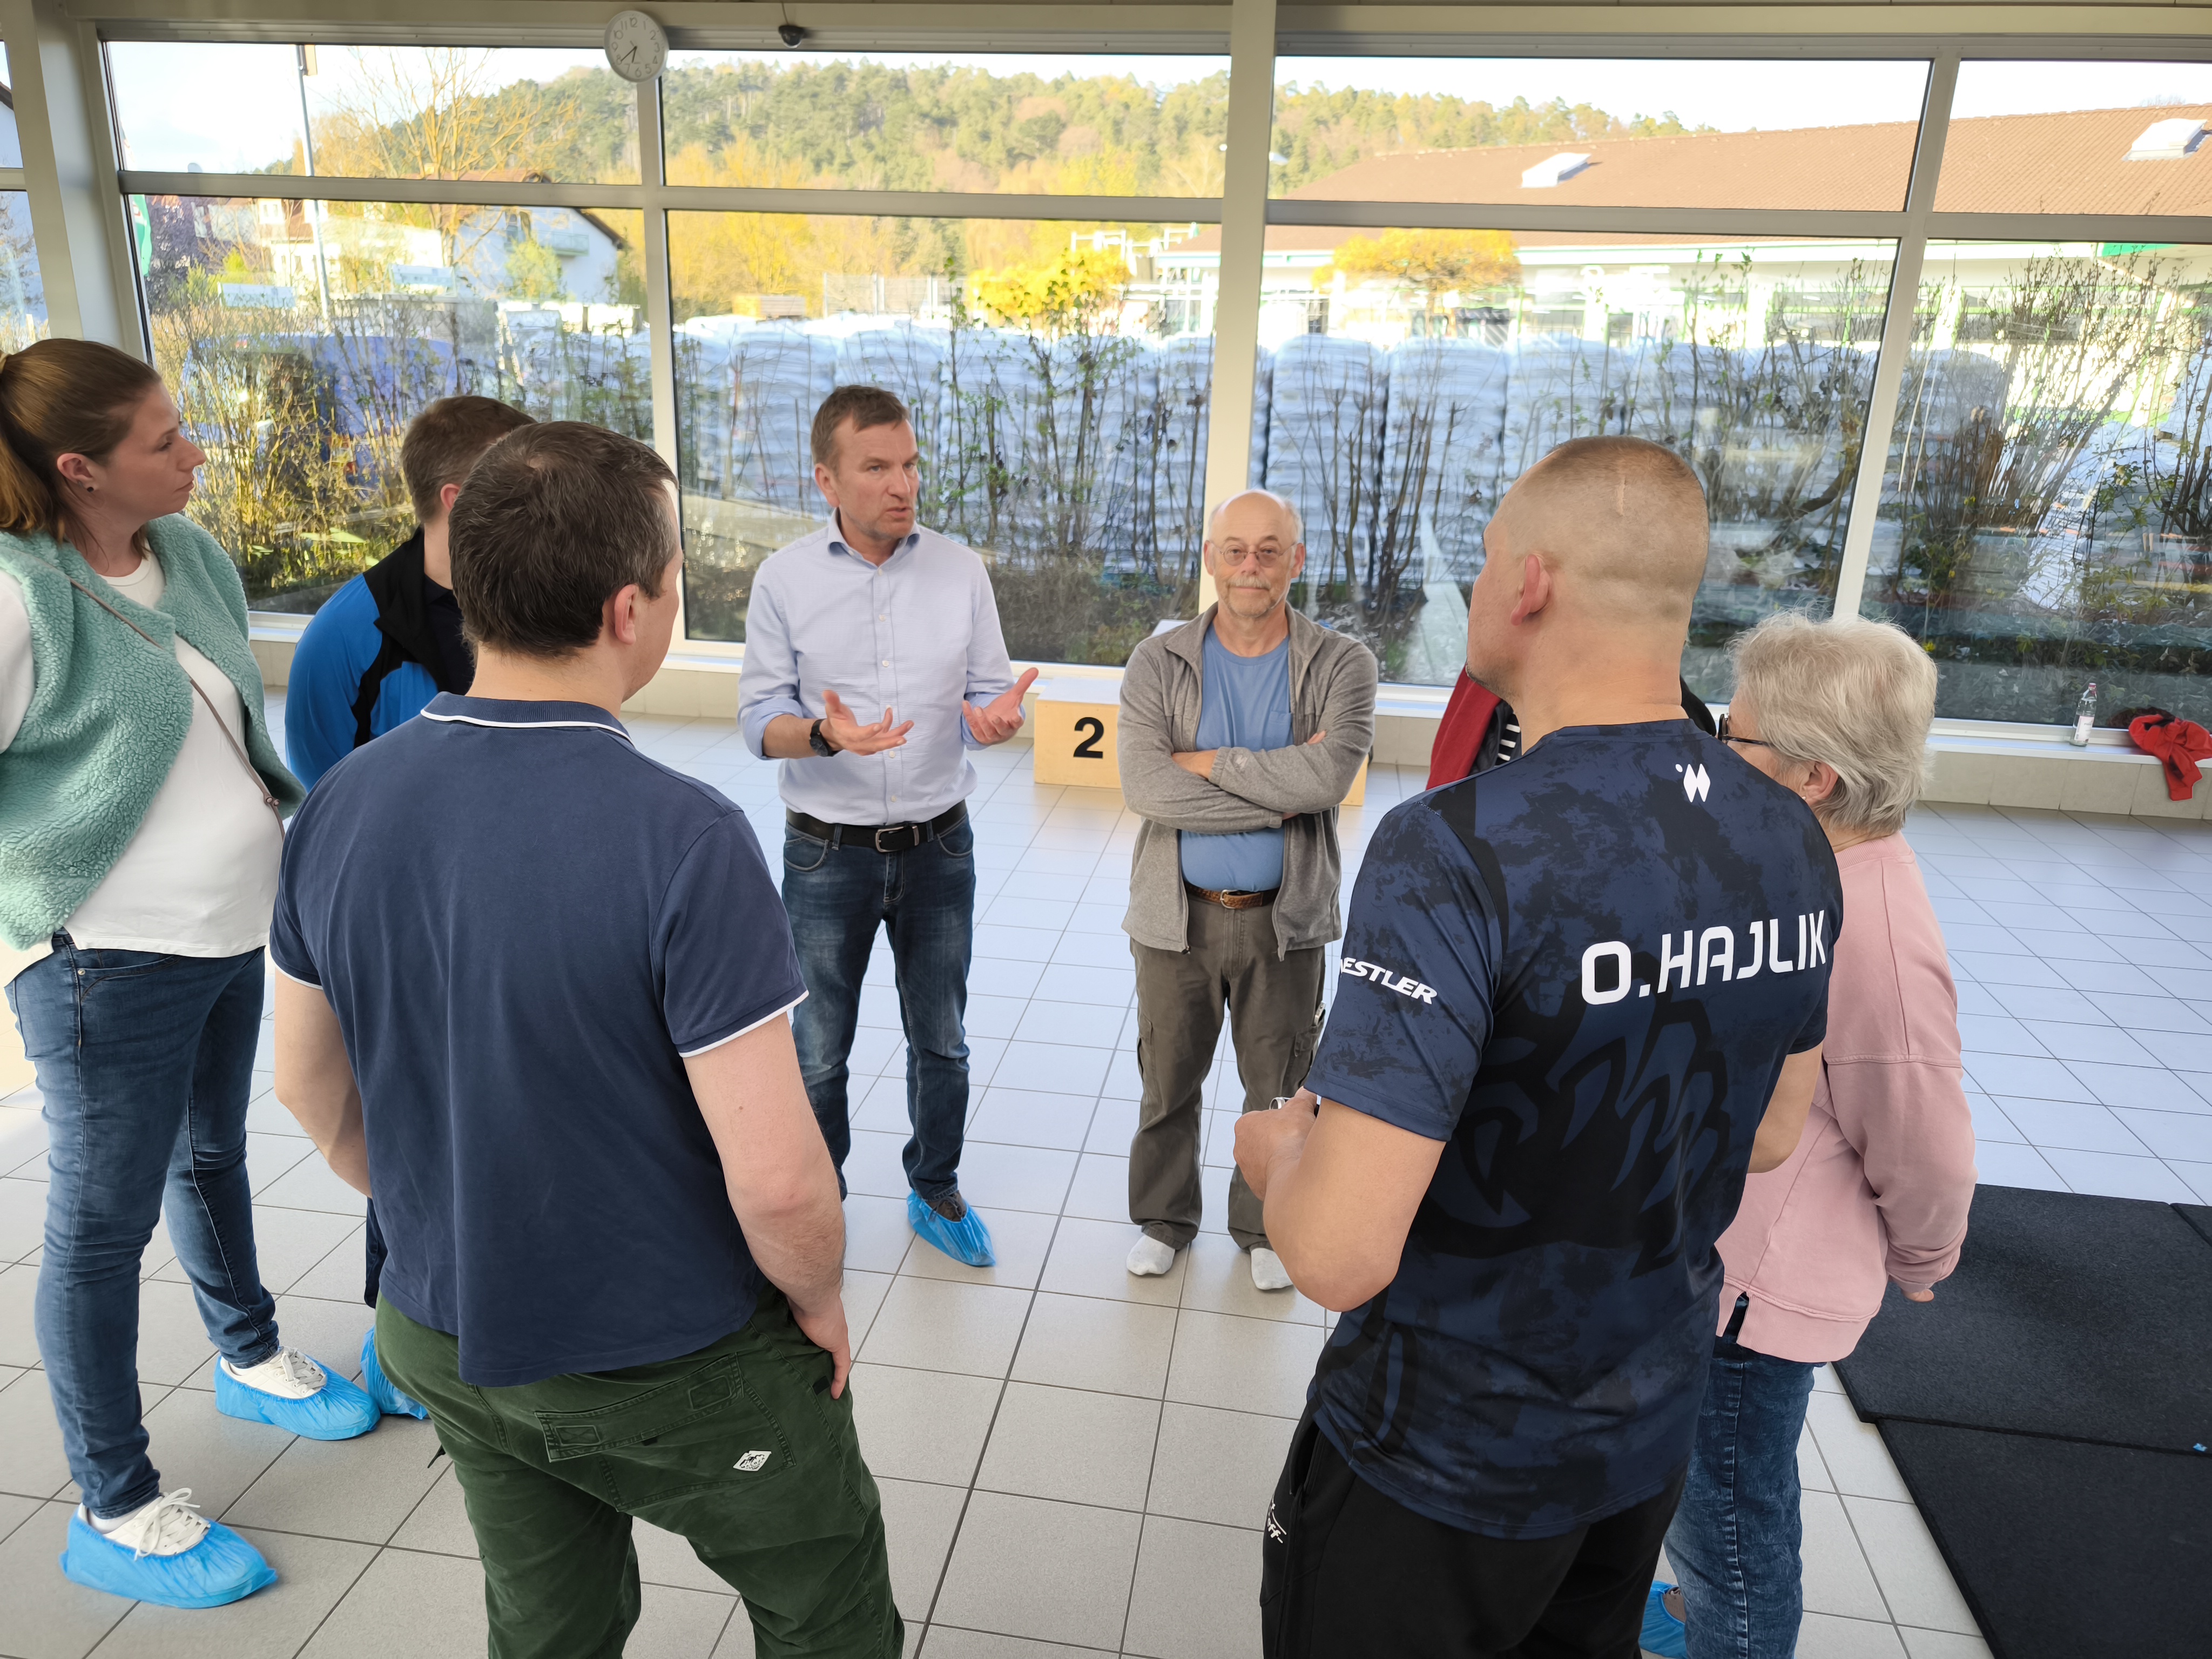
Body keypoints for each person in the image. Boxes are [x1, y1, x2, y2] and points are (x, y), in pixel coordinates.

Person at [269, 421, 901, 1658]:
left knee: (547, 1622)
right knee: (823, 1604)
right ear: (630, 610)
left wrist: (446, 1217)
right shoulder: (684, 838)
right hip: (667, 1358)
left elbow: (305, 1082)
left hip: (441, 1332)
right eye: (672, 577)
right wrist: (819, 1297)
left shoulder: (342, 802)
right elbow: (778, 1179)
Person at [1233, 435, 1842, 1659]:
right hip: (1642, 1434)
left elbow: (1339, 1251)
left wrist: (1276, 1156)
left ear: (1528, 582)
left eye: (1483, 558)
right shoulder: (1789, 835)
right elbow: (1774, 1132)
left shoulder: (1457, 846)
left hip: (1442, 1454)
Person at [0, 339, 375, 1611]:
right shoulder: (19, 595)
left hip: (226, 935)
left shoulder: (192, 556)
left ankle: (248, 1354)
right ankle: (113, 1504)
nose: (196, 451)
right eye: (164, 440)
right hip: (105, 963)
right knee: (98, 1228)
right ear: (78, 468)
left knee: (211, 1154)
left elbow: (224, 732)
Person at [1643, 613, 1977, 1659]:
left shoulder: (1875, 935)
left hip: (1753, 1300)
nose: (1714, 754)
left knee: (1733, 1527)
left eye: (1732, 738)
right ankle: (1694, 1615)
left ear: (1814, 777)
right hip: (1706, 1255)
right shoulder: (1796, 867)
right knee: (1695, 1490)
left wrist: (1923, 1256)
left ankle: (1728, 1634)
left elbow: (1926, 1144)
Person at [738, 385, 1035, 1269]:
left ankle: (935, 1188)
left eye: (909, 464)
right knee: (818, 1050)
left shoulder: (960, 570)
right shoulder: (784, 579)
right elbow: (758, 722)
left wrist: (994, 719)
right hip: (825, 853)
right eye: (877, 467)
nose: (902, 484)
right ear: (827, 479)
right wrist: (823, 734)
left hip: (940, 844)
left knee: (941, 1038)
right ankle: (819, 1204)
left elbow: (988, 691)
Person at [283, 392, 534, 1424]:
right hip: (404, 930)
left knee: (502, 1117)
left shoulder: (533, 598)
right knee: (407, 1130)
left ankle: (499, 1301)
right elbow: (326, 791)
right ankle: (400, 1331)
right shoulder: (349, 633)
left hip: (518, 914)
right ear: (459, 498)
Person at [1116, 489, 1375, 1292]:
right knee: (1167, 1083)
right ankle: (1164, 1220)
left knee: (1279, 1089)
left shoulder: (1343, 663)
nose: (1251, 566)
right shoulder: (1158, 661)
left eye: (1269, 550)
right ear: (1210, 559)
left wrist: (1208, 764)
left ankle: (1265, 1225)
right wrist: (1277, 792)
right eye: (1235, 550)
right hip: (1176, 919)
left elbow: (1328, 779)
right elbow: (1147, 787)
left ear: (1297, 561)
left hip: (1284, 923)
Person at [284, 394, 534, 787]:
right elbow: (323, 796)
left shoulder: (554, 604)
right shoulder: (339, 637)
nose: (551, 503)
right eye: (529, 487)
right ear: (461, 501)